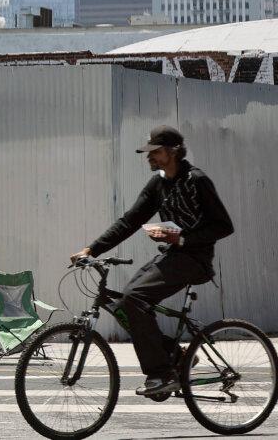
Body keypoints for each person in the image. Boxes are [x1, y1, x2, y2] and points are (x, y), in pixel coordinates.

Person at [70, 125, 234, 396]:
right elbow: (130, 221)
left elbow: (223, 226)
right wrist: (91, 249)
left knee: (134, 298)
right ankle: (176, 355)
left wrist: (182, 240)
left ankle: (159, 374)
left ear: (174, 152)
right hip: (172, 256)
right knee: (127, 302)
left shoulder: (197, 180)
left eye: (156, 152)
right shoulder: (158, 183)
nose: (150, 157)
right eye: (149, 153)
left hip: (195, 258)